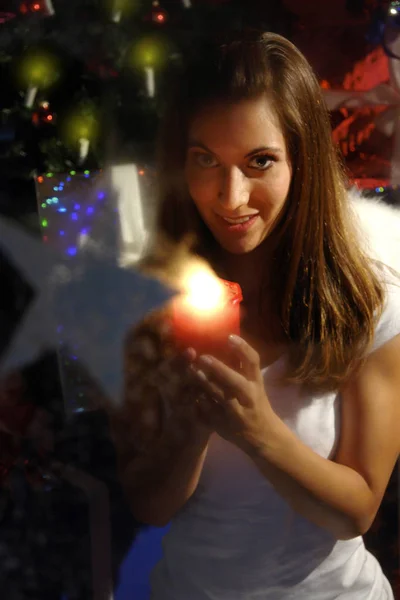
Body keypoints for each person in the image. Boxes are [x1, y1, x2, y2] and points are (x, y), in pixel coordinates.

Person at [111, 30, 400, 599]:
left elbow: (357, 512)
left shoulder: (369, 301)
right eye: (205, 161)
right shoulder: (148, 302)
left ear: (302, 160)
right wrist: (192, 428)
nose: (230, 196)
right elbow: (149, 505)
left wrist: (257, 429)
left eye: (259, 161)